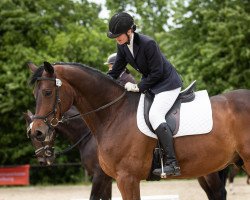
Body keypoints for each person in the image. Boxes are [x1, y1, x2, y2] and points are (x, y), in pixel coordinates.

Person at [106, 12, 183, 177]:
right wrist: (99, 83)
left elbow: (157, 72)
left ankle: (172, 163)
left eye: (118, 35)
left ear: (129, 31)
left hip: (168, 84)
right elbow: (116, 70)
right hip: (153, 86)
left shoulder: (148, 43)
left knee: (155, 115)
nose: (116, 39)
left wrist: (138, 87)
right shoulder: (122, 46)